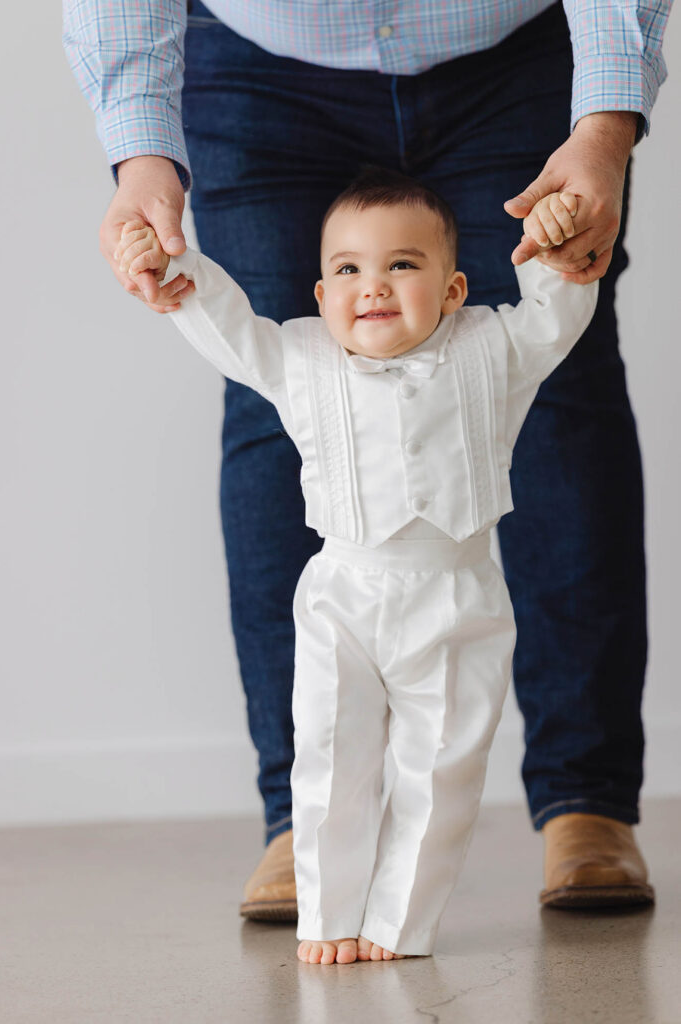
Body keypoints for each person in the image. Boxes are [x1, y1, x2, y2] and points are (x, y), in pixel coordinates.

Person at [63, 0, 671, 917]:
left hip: (509, 55)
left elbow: (552, 314)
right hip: (261, 67)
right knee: (273, 418)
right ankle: (299, 826)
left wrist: (603, 127)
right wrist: (143, 153)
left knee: (562, 403)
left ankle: (586, 801)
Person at [113, 170, 602, 963]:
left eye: (402, 265)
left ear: (452, 289)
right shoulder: (297, 358)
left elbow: (557, 313)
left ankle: (400, 924)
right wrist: (175, 269)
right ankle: (329, 913)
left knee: (440, 767)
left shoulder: (494, 349)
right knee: (331, 757)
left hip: (457, 595)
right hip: (342, 595)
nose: (372, 285)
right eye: (348, 269)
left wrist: (551, 234)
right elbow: (228, 325)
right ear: (319, 290)